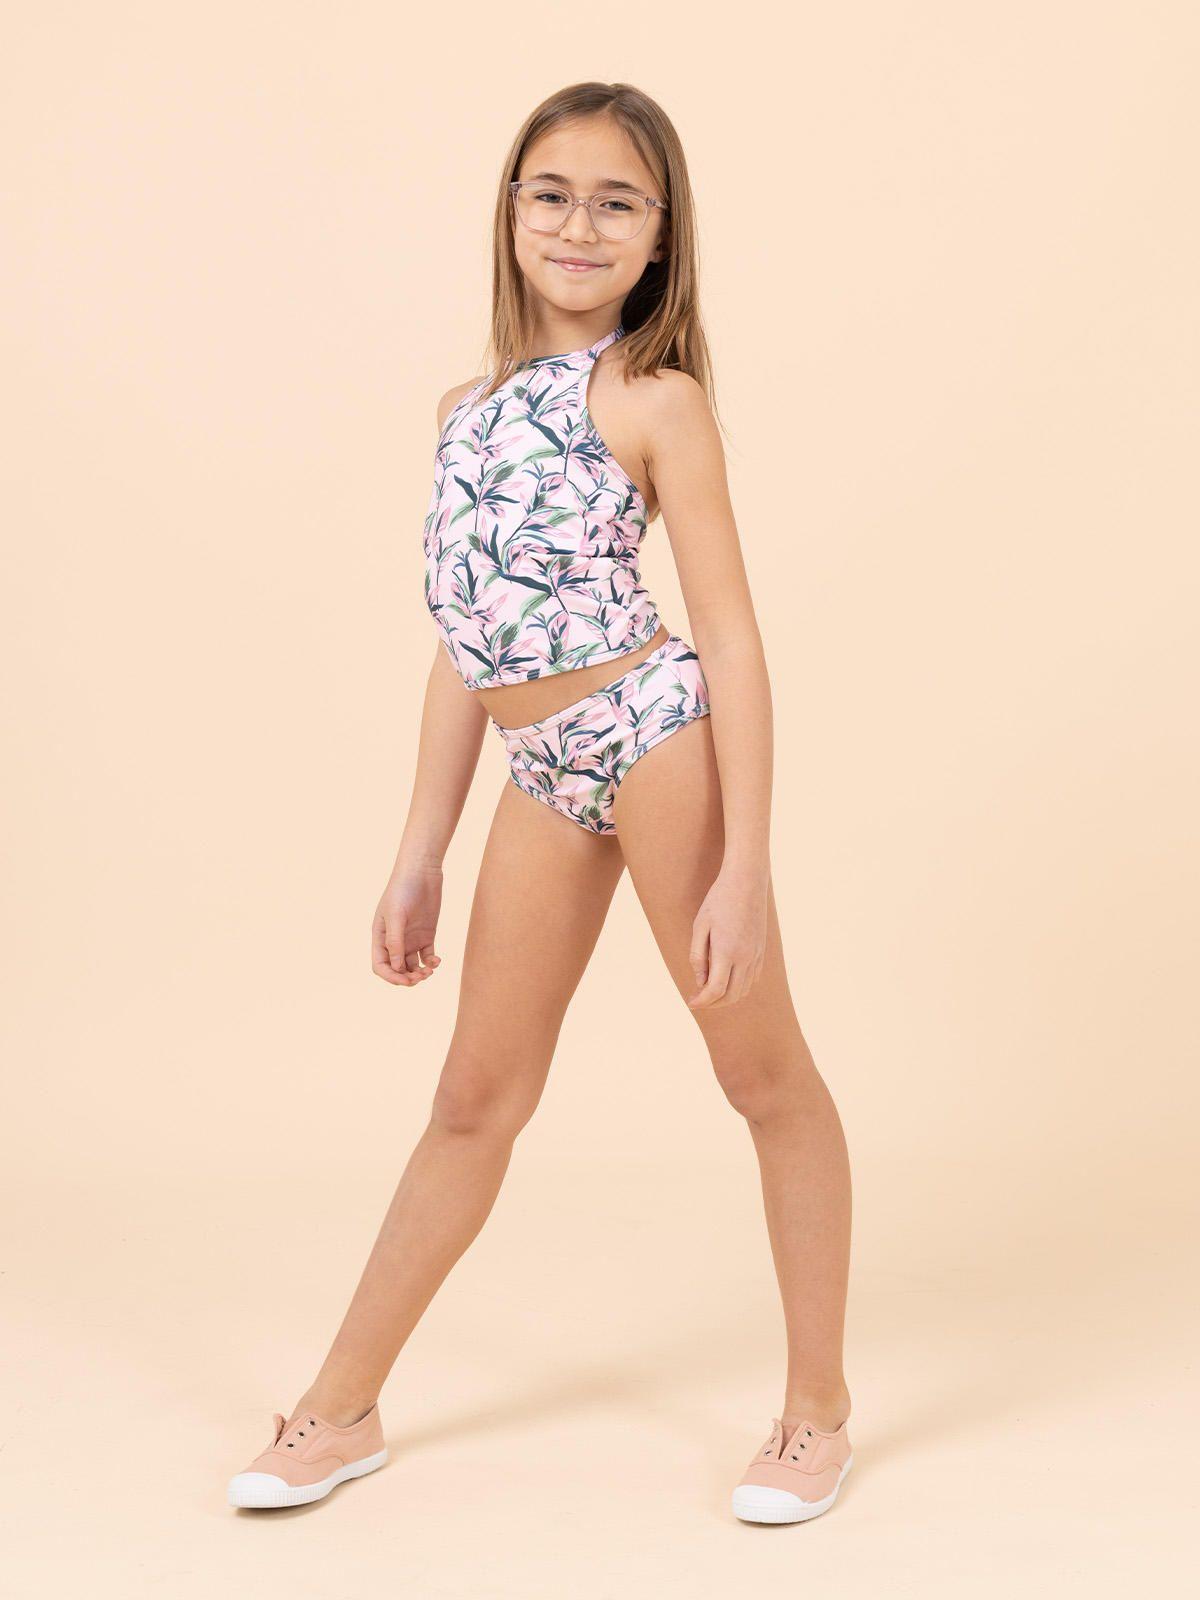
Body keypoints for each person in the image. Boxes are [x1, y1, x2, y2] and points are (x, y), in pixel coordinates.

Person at [227, 80, 854, 1524]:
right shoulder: (464, 414)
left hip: (654, 739)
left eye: (618, 201)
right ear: (510, 213)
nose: (581, 224)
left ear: (660, 237)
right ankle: (341, 1409)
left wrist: (747, 864)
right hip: (541, 772)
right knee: (473, 1099)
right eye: (553, 193)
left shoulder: (655, 400)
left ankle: (815, 1413)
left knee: (761, 1076)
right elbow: (468, 642)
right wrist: (420, 853)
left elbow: (732, 634)